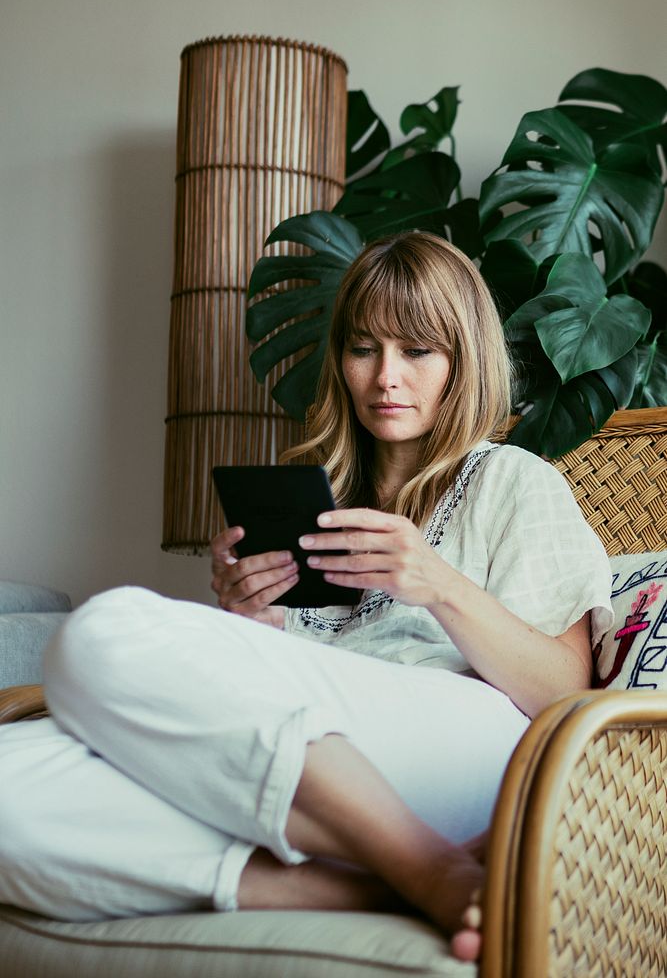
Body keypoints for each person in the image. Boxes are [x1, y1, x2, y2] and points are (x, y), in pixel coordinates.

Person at [0, 233, 613, 963]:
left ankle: (426, 864)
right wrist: (250, 624)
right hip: (324, 764)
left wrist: (436, 583)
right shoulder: (316, 506)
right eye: (363, 349)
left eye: (416, 351)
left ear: (462, 359)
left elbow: (564, 688)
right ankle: (386, 879)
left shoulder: (512, 479)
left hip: (460, 741)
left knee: (101, 630)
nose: (385, 376)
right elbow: (285, 689)